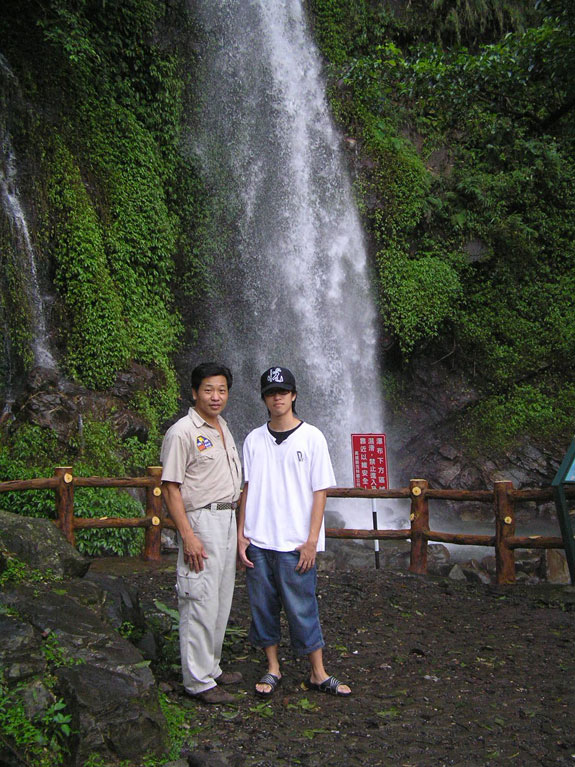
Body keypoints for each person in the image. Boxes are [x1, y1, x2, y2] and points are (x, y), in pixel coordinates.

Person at [237, 366, 351, 697]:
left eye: (283, 392)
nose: (277, 398)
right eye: (271, 393)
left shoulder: (312, 437)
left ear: (294, 395)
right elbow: (247, 488)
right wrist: (241, 534)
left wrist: (312, 541)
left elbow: (320, 492)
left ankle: (318, 672)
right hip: (258, 540)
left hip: (295, 542)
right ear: (264, 399)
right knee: (262, 606)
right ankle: (272, 667)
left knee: (303, 606)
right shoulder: (253, 440)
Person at [160, 362, 243, 704]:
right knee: (199, 598)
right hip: (202, 521)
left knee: (220, 598)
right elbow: (170, 487)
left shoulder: (223, 427)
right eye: (208, 390)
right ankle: (197, 681)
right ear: (194, 393)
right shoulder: (182, 432)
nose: (215, 396)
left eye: (222, 390)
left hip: (227, 517)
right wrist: (188, 535)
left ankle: (211, 666)